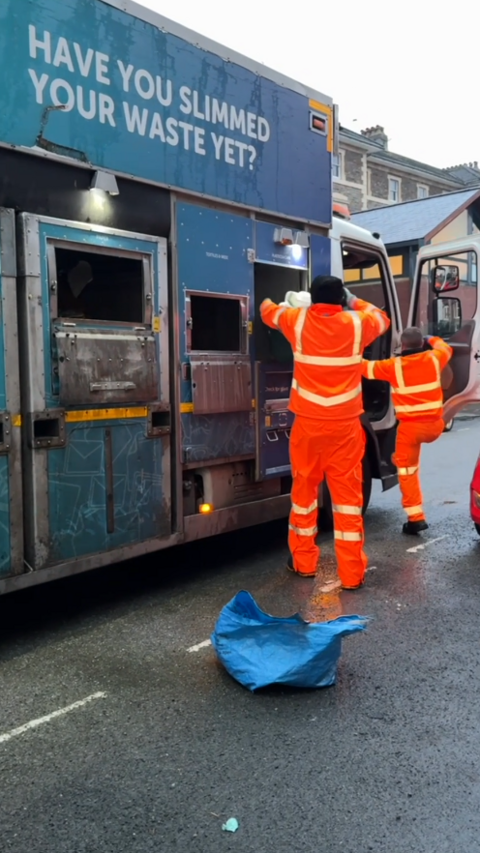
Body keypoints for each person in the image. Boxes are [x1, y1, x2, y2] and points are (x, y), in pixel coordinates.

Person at [260, 277, 390, 590]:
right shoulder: (357, 323)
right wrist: (354, 300)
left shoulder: (298, 320)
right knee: (347, 502)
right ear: (340, 299)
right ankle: (351, 574)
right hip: (345, 427)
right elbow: (382, 318)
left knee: (303, 496)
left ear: (314, 298)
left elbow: (266, 310)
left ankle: (304, 563)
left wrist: (289, 301)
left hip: (307, 425)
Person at [361, 326, 453, 534]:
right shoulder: (434, 358)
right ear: (421, 344)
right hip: (435, 426)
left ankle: (416, 518)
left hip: (410, 430)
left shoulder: (394, 366)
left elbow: (365, 368)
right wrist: (432, 338)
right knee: (404, 460)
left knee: (407, 471)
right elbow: (446, 348)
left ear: (402, 345)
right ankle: (397, 457)